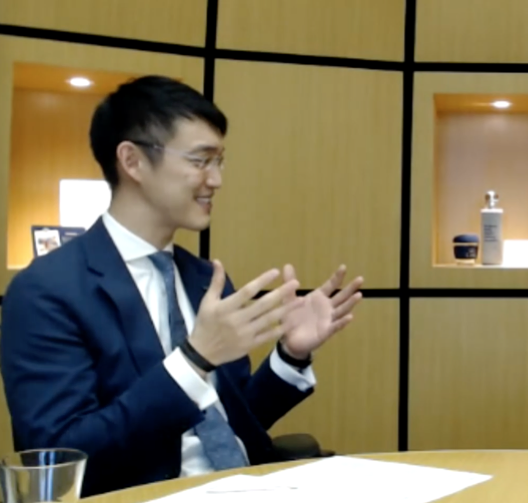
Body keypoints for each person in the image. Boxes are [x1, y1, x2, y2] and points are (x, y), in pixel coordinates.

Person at [0, 75, 364, 497]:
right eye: (200, 160)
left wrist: (290, 355)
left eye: (219, 161)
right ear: (133, 161)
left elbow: (230, 422)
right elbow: (60, 461)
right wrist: (193, 360)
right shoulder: (46, 292)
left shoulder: (203, 279)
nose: (216, 180)